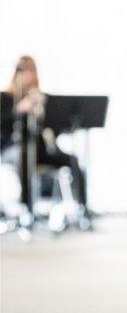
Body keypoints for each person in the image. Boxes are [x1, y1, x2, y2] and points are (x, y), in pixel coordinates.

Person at [0, 55, 89, 216]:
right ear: (16, 74)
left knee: (73, 160)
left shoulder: (42, 98)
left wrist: (45, 109)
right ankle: (27, 207)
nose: (28, 76)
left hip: (41, 149)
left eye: (31, 71)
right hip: (12, 149)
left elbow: (56, 130)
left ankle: (82, 209)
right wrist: (19, 109)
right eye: (24, 71)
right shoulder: (6, 98)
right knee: (24, 156)